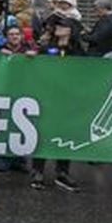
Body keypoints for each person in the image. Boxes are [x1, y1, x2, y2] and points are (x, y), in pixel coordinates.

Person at [31, 17, 82, 192]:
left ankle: (62, 172)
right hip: (47, 97)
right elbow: (36, 67)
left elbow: (89, 71)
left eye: (64, 26)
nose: (59, 28)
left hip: (67, 99)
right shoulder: (46, 48)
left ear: (72, 30)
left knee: (64, 134)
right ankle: (37, 171)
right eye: (58, 25)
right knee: (43, 133)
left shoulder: (78, 51)